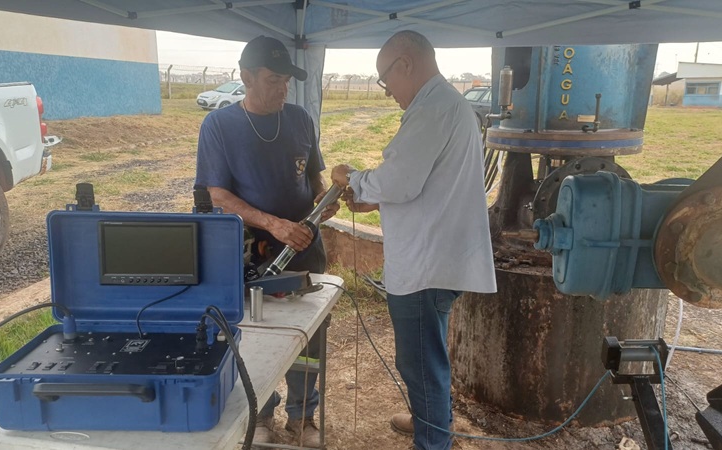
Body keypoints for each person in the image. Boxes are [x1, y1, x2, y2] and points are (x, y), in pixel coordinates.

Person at [330, 30, 497, 450]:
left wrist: (352, 179)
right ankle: (431, 420)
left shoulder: (435, 109)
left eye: (386, 82)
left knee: (421, 364)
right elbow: (423, 184)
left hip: (426, 265)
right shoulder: (443, 105)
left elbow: (401, 181)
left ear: (404, 64)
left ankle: (433, 438)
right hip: (435, 256)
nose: (388, 93)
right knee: (428, 358)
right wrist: (374, 200)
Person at [195, 35, 338, 448]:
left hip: (304, 248)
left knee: (309, 336)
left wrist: (321, 202)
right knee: (256, 335)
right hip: (250, 256)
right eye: (273, 79)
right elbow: (216, 196)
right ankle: (261, 412)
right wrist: (273, 224)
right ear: (246, 77)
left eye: (287, 81)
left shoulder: (299, 119)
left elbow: (313, 178)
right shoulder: (220, 126)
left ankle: (303, 416)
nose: (282, 89)